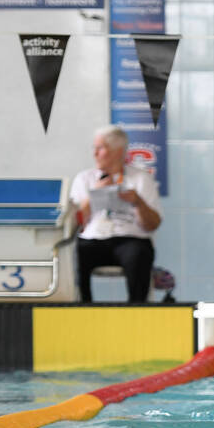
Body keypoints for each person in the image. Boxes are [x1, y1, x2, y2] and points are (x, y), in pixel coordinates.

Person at [69, 124, 162, 302]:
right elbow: (77, 223)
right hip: (92, 239)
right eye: (94, 148)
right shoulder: (84, 179)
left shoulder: (141, 178)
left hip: (129, 238)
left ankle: (136, 311)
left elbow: (153, 225)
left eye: (100, 148)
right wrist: (93, 195)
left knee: (139, 254)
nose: (94, 153)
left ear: (118, 151)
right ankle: (83, 310)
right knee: (74, 254)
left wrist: (138, 202)